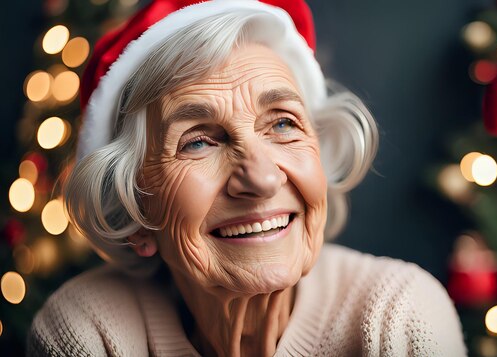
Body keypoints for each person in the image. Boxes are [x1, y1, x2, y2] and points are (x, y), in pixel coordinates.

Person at [28, 0, 466, 355]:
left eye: (282, 124)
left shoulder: (398, 318)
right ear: (136, 210)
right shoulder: (88, 332)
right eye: (198, 142)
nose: (261, 179)